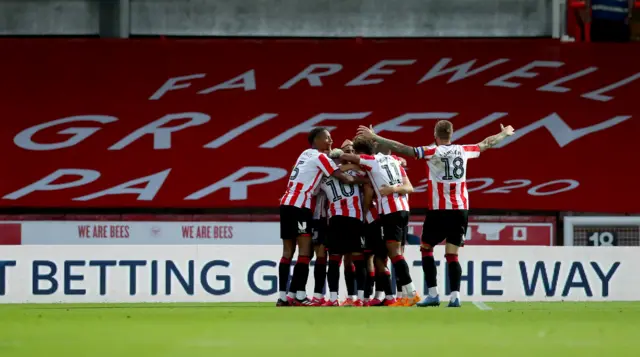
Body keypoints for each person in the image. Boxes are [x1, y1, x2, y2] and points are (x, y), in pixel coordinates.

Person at [356, 121, 515, 307]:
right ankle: (455, 296)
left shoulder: (433, 152)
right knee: (452, 254)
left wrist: (376, 138)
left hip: (439, 209)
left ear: (435, 134)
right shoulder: (463, 150)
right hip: (461, 209)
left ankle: (433, 294)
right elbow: (487, 143)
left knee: (426, 248)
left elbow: (404, 149)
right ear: (452, 134)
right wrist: (504, 133)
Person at [277, 127, 368, 307]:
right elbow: (345, 178)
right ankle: (300, 296)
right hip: (300, 206)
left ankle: (284, 296)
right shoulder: (320, 157)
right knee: (305, 252)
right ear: (318, 140)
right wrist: (365, 181)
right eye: (328, 138)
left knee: (287, 252)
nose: (331, 141)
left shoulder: (304, 154)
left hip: (286, 203)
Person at [340, 138, 420, 307]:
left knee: (392, 254)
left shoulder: (372, 161)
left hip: (389, 212)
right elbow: (410, 188)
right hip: (404, 209)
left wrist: (339, 159)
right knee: (393, 254)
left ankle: (410, 294)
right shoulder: (396, 161)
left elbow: (353, 163)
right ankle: (402, 295)